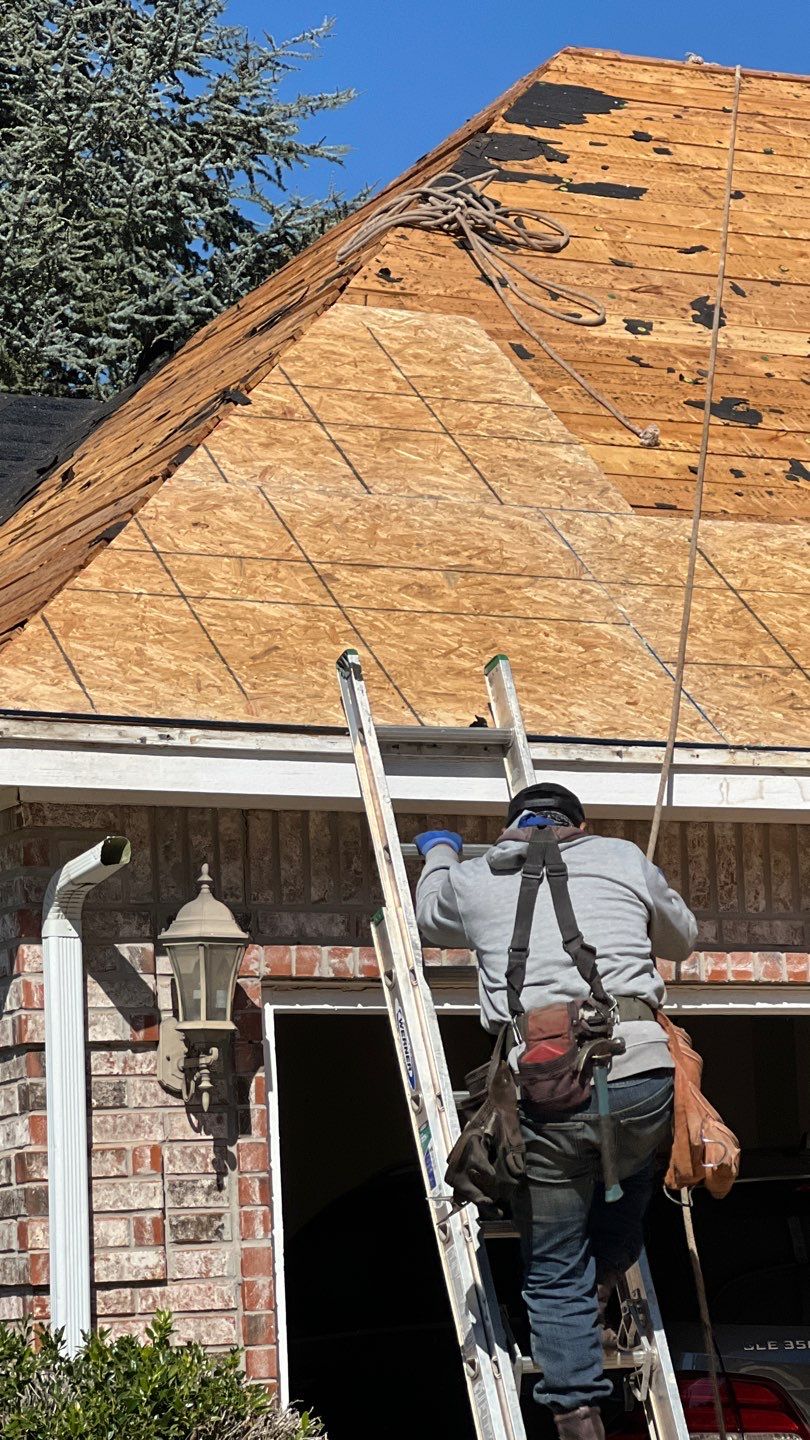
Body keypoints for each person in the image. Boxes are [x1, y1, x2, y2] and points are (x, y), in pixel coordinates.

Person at [413, 782, 697, 1440]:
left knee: (552, 1263)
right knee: (626, 1176)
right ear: (581, 826)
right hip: (641, 1075)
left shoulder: (478, 876)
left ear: (511, 828)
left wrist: (441, 852)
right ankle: (600, 1281)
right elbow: (682, 938)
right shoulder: (622, 855)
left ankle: (577, 1415)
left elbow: (428, 917)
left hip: (547, 1089)